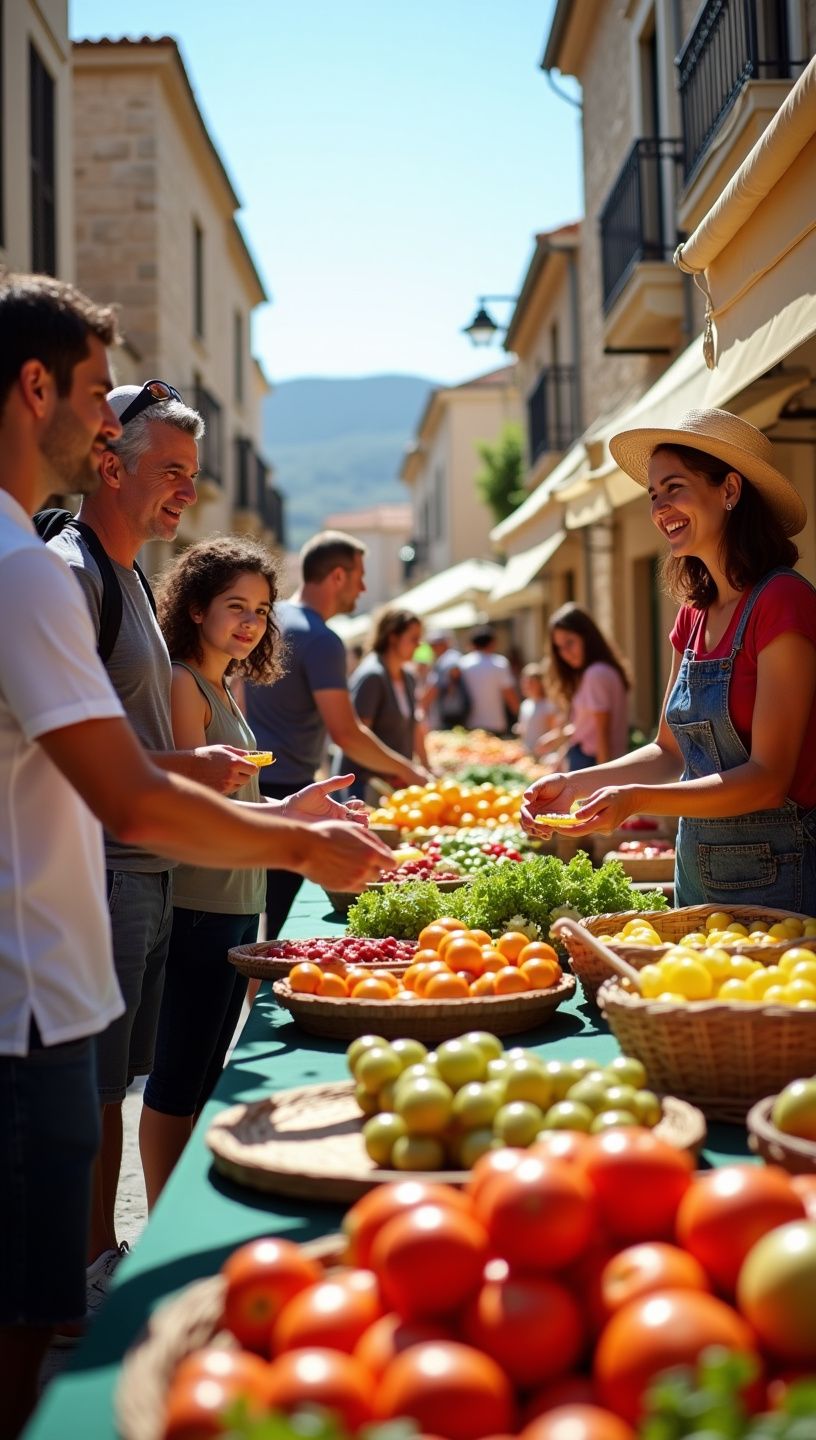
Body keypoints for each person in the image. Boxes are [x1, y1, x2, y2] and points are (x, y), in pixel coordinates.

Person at [0, 271, 391, 1431]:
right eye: (90, 395)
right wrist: (303, 846)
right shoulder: (34, 569)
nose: (102, 424)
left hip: (40, 981)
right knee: (37, 1335)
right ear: (40, 391)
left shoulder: (38, 560)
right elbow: (125, 792)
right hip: (30, 996)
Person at [46, 381, 259, 1320]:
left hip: (148, 872)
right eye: (170, 470)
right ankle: (83, 1269)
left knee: (113, 1090)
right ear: (109, 462)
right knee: (90, 1092)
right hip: (96, 871)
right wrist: (186, 766)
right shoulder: (71, 569)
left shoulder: (129, 574)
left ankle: (100, 1253)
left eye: (193, 475)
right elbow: (61, 738)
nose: (186, 490)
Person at [141, 537, 366, 1205]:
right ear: (196, 608)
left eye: (263, 610)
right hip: (199, 902)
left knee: (209, 1070)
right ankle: (165, 1215)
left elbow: (232, 796)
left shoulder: (221, 683)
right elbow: (187, 803)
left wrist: (292, 808)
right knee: (178, 1079)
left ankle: (184, 1202)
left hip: (237, 899)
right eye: (235, 606)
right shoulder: (185, 683)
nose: (251, 622)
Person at [522, 408, 816, 910]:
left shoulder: (783, 601)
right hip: (695, 868)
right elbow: (669, 750)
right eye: (653, 494)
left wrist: (635, 799)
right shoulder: (693, 617)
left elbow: (769, 780)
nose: (659, 508)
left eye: (674, 487)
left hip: (779, 876)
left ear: (729, 490)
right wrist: (575, 785)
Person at [244, 530, 429, 938]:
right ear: (338, 577)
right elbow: (347, 734)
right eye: (360, 577)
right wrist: (413, 773)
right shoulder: (322, 639)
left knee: (254, 926)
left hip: (250, 789)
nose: (363, 588)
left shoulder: (269, 618)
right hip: (289, 794)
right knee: (279, 930)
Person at [338, 608, 429, 802]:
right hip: (363, 787)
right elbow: (358, 736)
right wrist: (405, 769)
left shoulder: (409, 677)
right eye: (413, 638)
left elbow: (415, 726)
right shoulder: (372, 676)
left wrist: (426, 768)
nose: (419, 645)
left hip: (392, 786)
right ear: (393, 638)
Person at [546, 603, 631, 769]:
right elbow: (587, 727)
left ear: (587, 636)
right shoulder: (597, 671)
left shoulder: (596, 674)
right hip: (589, 759)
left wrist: (603, 777)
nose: (565, 654)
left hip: (592, 762)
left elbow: (602, 732)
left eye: (569, 642)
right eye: (559, 648)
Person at [459, 626, 519, 735]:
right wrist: (519, 715)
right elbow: (509, 694)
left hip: (468, 723)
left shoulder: (463, 664)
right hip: (495, 723)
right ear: (492, 643)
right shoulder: (499, 663)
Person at [421, 631, 465, 730]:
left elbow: (435, 688)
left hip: (451, 712)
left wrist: (422, 706)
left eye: (434, 645)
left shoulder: (448, 659)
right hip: (453, 711)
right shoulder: (449, 657)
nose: (432, 648)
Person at [515, 662, 560, 755]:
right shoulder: (525, 704)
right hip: (527, 754)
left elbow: (556, 731)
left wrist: (547, 742)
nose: (527, 685)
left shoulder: (548, 705)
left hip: (544, 756)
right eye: (524, 682)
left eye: (531, 682)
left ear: (540, 683)